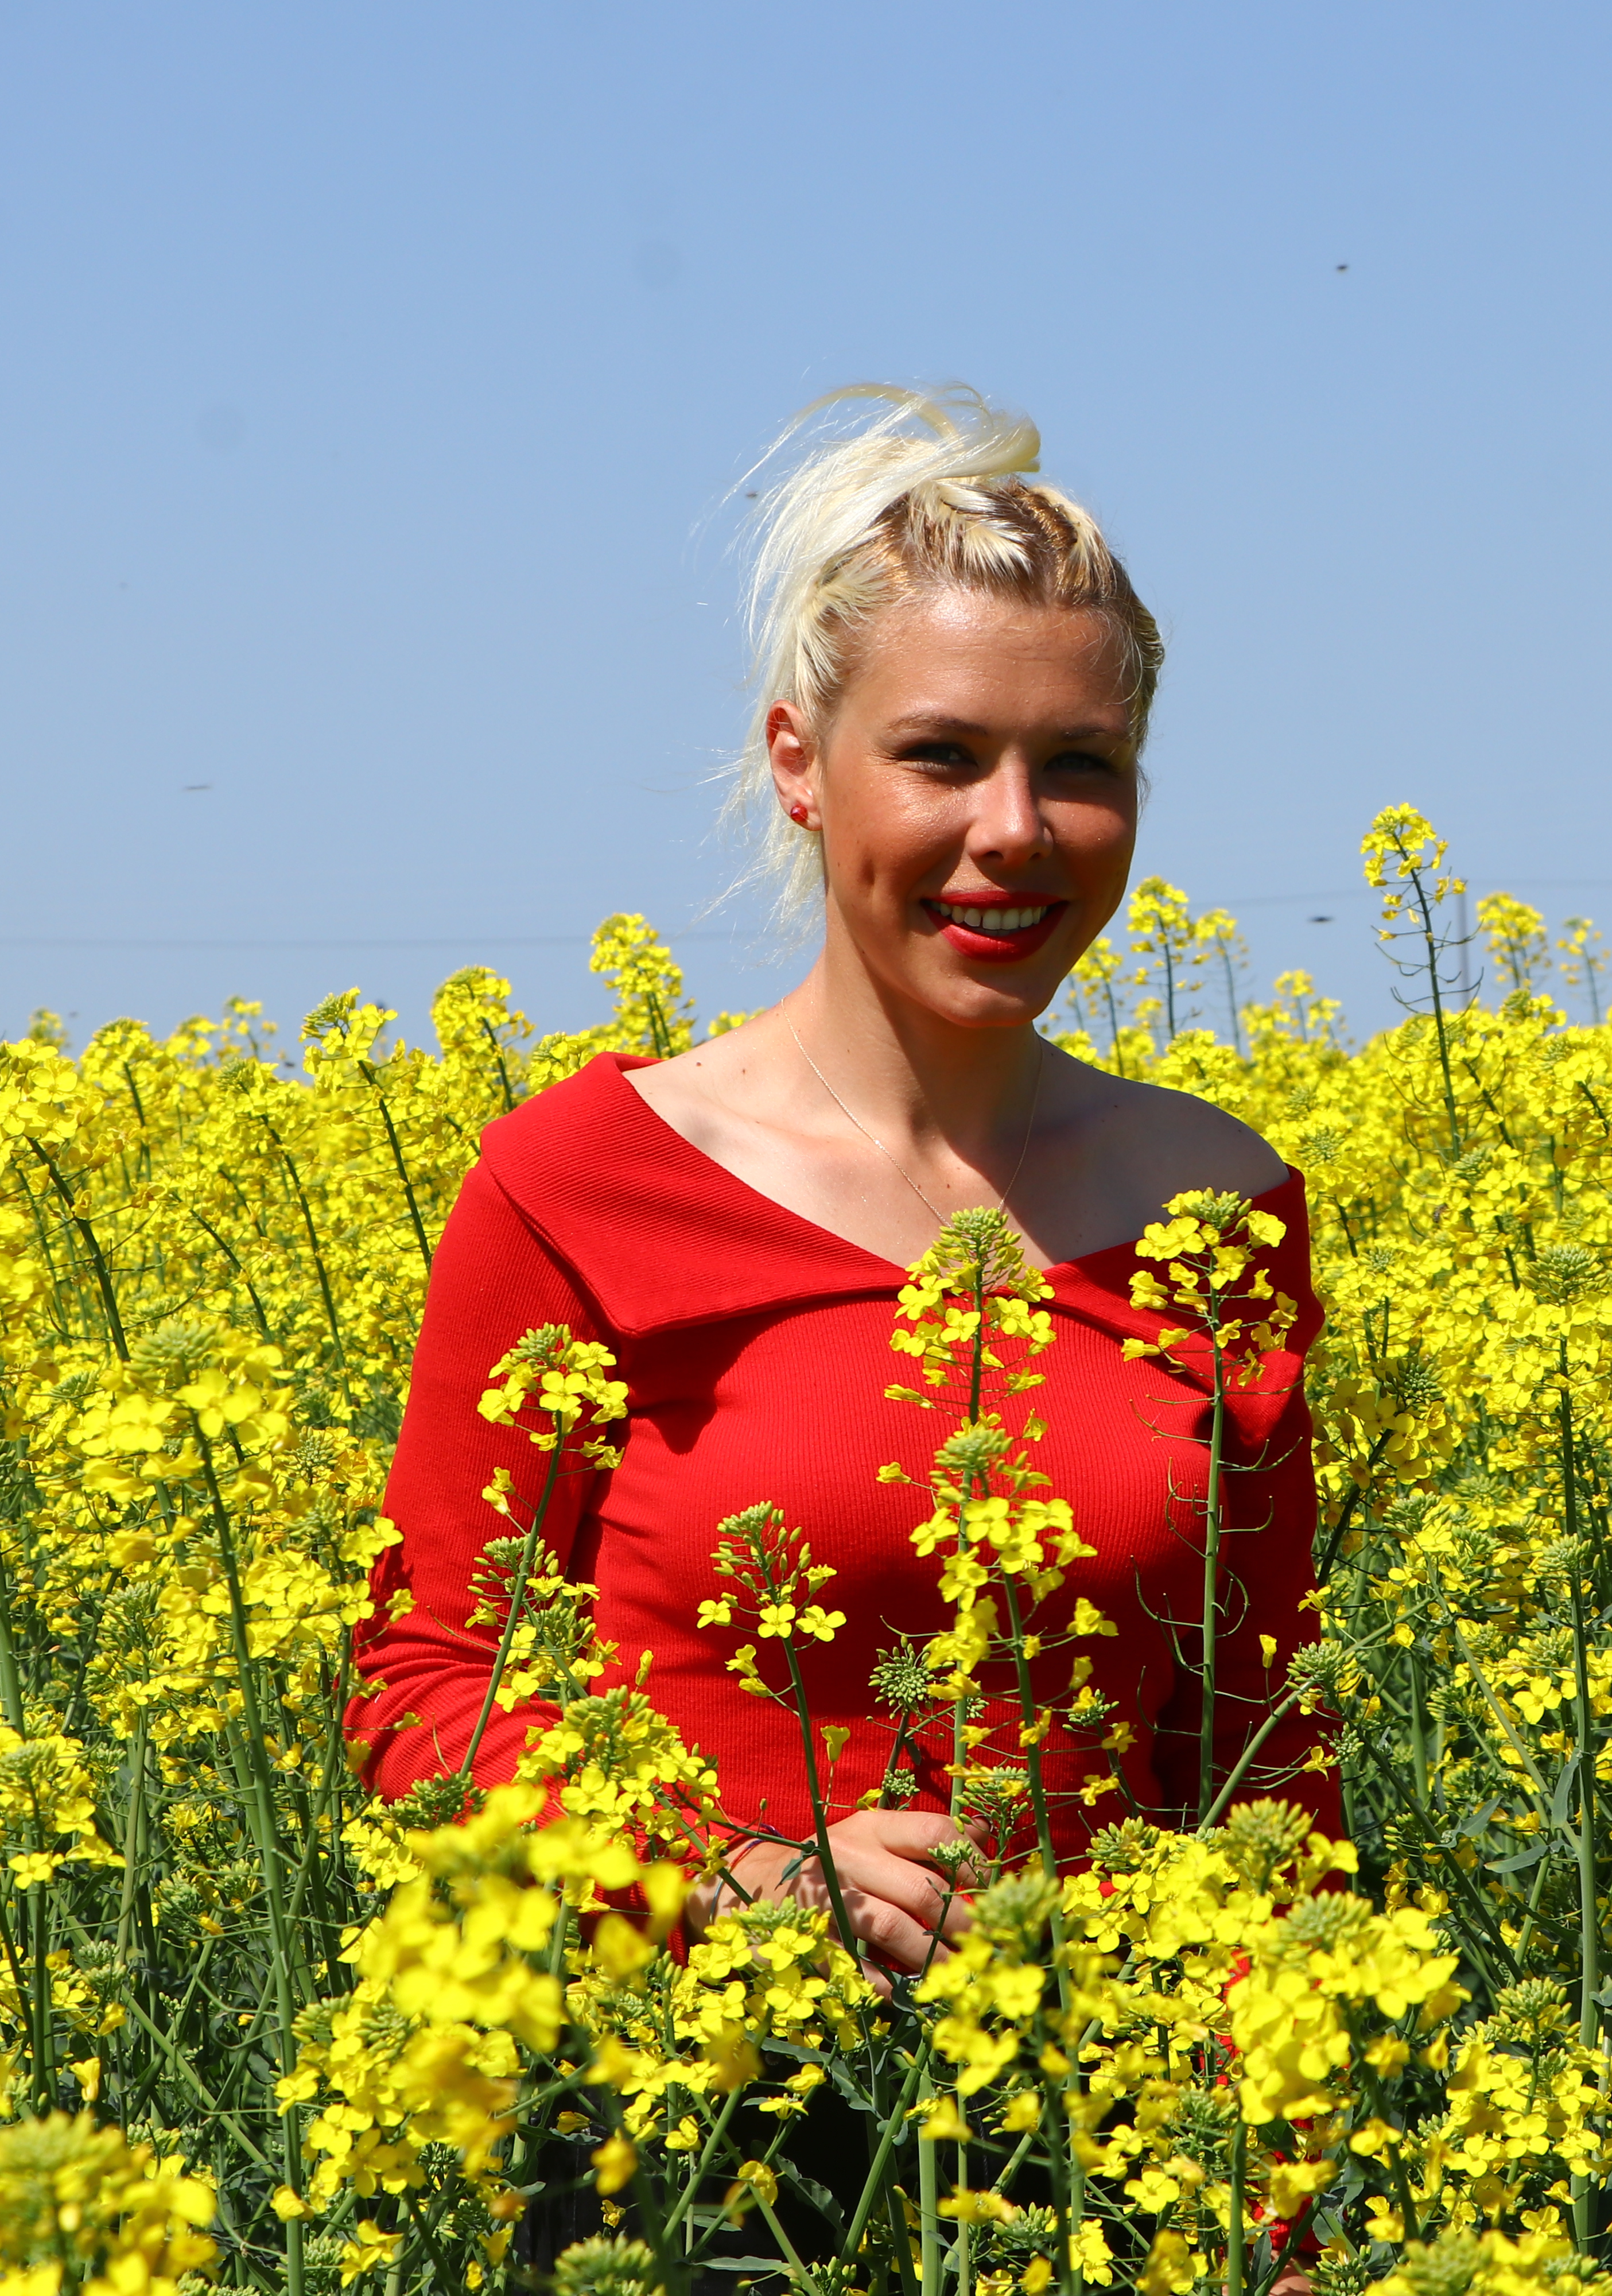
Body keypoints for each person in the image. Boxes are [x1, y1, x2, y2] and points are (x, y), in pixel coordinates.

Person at [345, 384, 1337, 1986]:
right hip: (711, 2145)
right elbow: (427, 1685)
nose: (1014, 832)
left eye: (1079, 766)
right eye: (941, 757)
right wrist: (736, 1878)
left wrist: (1283, 2194)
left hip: (1125, 2157)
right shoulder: (580, 1187)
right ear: (801, 765)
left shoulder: (1221, 1214)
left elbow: (1266, 1743)